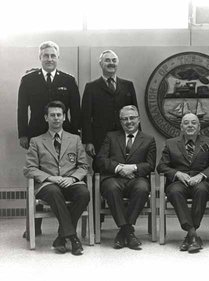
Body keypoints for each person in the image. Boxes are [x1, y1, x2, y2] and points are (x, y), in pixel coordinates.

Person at [18, 41, 81, 238]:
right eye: (45, 55)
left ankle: (65, 229)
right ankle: (34, 226)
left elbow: (76, 110)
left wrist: (77, 134)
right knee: (38, 176)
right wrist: (23, 134)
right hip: (36, 133)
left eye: (53, 55)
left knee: (62, 174)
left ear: (58, 58)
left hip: (64, 133)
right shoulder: (28, 80)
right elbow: (22, 109)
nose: (49, 59)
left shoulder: (68, 80)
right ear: (40, 58)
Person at [23, 101, 89, 256]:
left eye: (59, 115)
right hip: (48, 186)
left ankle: (62, 236)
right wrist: (50, 178)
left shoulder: (75, 139)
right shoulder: (36, 141)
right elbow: (29, 169)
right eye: (52, 115)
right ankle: (73, 238)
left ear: (64, 117)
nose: (56, 118)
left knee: (84, 193)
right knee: (54, 192)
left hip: (70, 182)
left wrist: (73, 178)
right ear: (46, 118)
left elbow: (84, 166)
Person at [157, 113, 209, 253]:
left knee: (202, 190)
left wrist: (201, 175)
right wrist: (177, 174)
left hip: (202, 181)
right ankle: (193, 234)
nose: (190, 125)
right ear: (181, 127)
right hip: (180, 182)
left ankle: (190, 234)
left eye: (194, 123)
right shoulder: (170, 143)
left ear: (199, 127)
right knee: (174, 191)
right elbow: (161, 166)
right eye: (186, 123)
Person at [95, 105, 156, 250]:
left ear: (139, 119)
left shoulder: (149, 139)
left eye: (132, 118)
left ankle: (123, 231)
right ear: (121, 121)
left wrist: (133, 168)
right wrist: (119, 168)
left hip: (137, 178)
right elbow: (100, 159)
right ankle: (128, 231)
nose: (129, 121)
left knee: (142, 188)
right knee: (111, 188)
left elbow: (150, 164)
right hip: (113, 178)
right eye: (125, 119)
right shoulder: (111, 136)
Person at [82, 50, 139, 160]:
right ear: (100, 64)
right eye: (107, 60)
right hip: (100, 139)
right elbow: (86, 117)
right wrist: (88, 141)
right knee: (101, 169)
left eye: (114, 60)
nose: (111, 63)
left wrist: (137, 137)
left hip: (125, 136)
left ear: (117, 63)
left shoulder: (128, 85)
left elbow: (135, 113)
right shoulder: (91, 87)